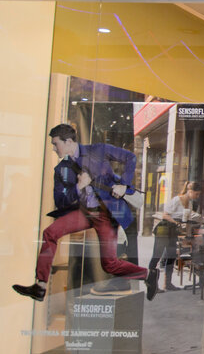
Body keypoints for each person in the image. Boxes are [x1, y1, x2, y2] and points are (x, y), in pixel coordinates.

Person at [12, 124, 152, 301]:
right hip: (84, 213)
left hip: (106, 214)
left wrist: (124, 184)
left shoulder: (98, 150)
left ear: (68, 142)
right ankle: (40, 286)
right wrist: (79, 187)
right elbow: (61, 202)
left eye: (56, 144)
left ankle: (147, 274)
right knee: (50, 233)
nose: (54, 148)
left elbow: (130, 157)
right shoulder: (60, 170)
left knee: (109, 264)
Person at [146, 181, 203, 299]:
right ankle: (151, 284)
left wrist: (188, 236)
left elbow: (187, 220)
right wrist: (176, 222)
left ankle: (168, 284)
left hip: (173, 231)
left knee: (171, 256)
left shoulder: (190, 204)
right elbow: (165, 215)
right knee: (157, 256)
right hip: (164, 229)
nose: (197, 196)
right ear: (190, 191)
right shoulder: (177, 200)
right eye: (196, 194)